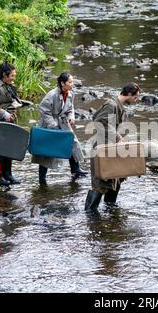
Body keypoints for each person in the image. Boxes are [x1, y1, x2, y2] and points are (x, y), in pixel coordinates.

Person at [85, 82, 141, 212]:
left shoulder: (119, 107)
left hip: (111, 150)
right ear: (128, 94)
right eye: (135, 97)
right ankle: (90, 214)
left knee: (115, 180)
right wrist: (117, 137)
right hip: (101, 149)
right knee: (100, 184)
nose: (136, 100)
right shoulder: (111, 105)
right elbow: (99, 121)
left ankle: (110, 209)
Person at [31, 72, 88, 185]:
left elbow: (70, 108)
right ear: (62, 83)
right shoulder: (52, 95)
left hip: (62, 122)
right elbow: (43, 109)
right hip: (48, 124)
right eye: (70, 82)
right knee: (46, 151)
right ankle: (42, 178)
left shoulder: (71, 94)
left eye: (72, 81)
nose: (72, 84)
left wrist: (71, 117)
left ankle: (75, 168)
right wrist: (53, 125)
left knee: (72, 142)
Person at [0, 62, 32, 186]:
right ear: (4, 75)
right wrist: (4, 114)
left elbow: (12, 98)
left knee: (9, 149)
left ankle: (8, 174)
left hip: (10, 121)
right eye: (12, 75)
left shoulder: (8, 84)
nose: (13, 78)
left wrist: (22, 103)